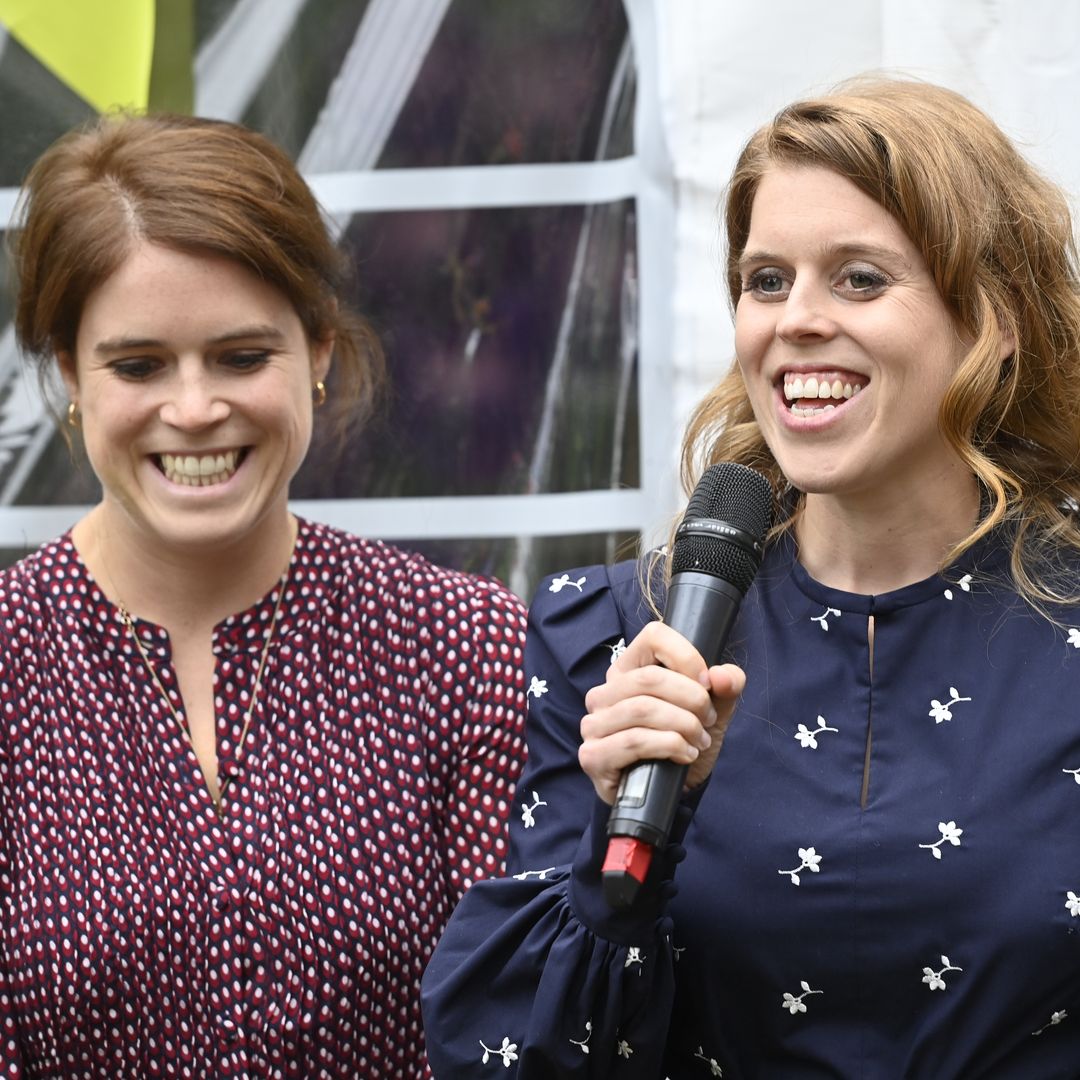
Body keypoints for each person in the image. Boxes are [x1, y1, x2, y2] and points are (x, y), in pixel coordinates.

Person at [421, 76, 1080, 1078]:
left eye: (859, 278)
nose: (795, 321)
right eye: (766, 280)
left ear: (996, 318)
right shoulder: (616, 634)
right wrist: (624, 845)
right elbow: (518, 1056)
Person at [0, 113, 528, 1078]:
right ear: (71, 372)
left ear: (318, 352)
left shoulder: (463, 642)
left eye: (243, 357)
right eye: (139, 364)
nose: (195, 408)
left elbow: (525, 1017)